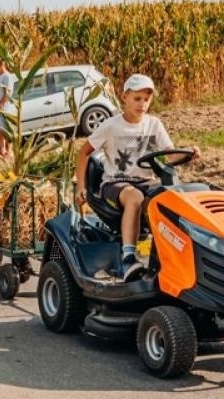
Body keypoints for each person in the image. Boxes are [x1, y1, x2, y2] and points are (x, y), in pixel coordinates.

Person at [75, 74, 190, 281]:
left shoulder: (154, 124)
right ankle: (128, 256)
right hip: (115, 184)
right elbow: (83, 152)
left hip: (146, 181)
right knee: (135, 197)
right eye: (137, 99)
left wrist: (190, 152)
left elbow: (170, 154)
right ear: (125, 97)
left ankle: (168, 256)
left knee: (171, 198)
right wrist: (80, 187)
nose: (142, 104)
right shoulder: (111, 126)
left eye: (146, 100)